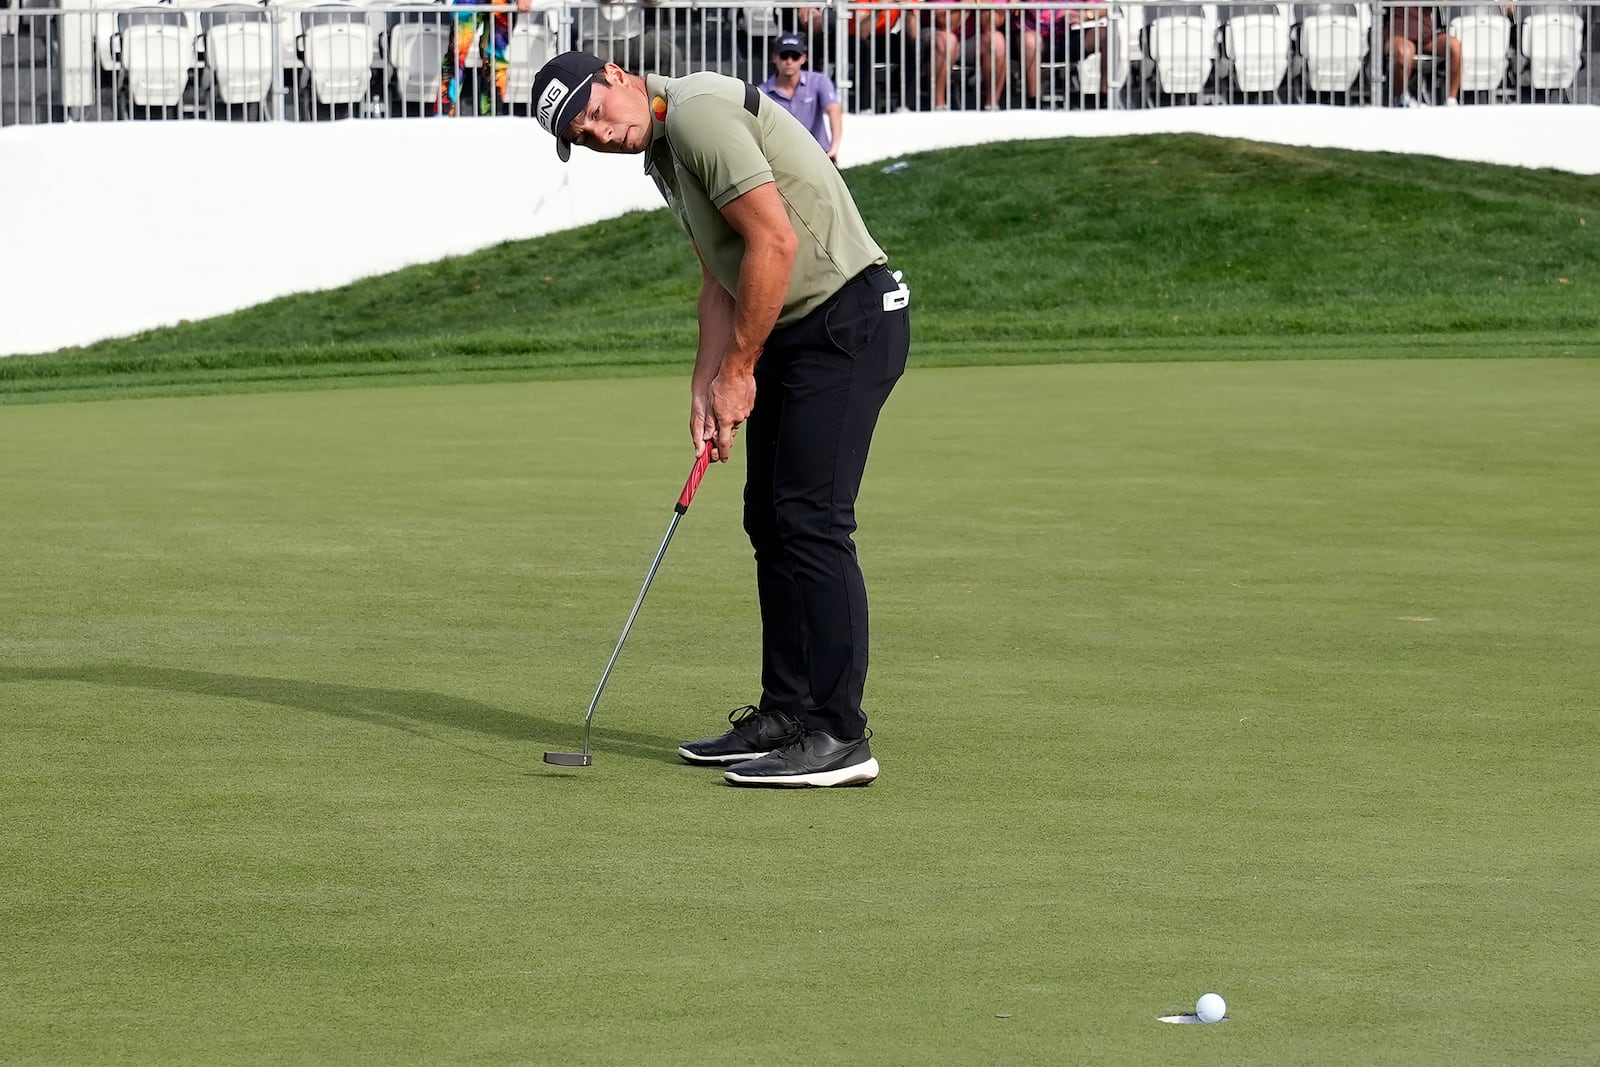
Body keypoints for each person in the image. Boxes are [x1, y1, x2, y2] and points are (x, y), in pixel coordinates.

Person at [530, 52, 911, 788]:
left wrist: (741, 371)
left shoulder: (698, 114)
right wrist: (707, 384)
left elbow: (775, 242)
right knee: (769, 518)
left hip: (845, 322)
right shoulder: (666, 150)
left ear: (617, 75)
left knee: (810, 520)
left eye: (596, 111)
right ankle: (787, 710)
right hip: (796, 330)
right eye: (583, 133)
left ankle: (839, 733)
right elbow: (721, 273)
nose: (600, 133)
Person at [438, 0, 535, 117]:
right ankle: (444, 114)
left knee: (495, 60)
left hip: (502, 4)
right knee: (456, 55)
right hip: (469, 3)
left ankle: (492, 116)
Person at [760, 33, 843, 163]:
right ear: (775, 58)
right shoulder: (763, 92)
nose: (789, 61)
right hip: (781, 159)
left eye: (795, 56)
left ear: (803, 59)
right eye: (784, 56)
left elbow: (834, 110)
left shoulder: (819, 81)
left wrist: (834, 148)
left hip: (820, 154)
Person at [1019, 1, 1111, 109]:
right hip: (1032, 38)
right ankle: (1034, 104)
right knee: (1030, 41)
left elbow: (1107, 7)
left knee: (1109, 35)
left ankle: (1105, 100)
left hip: (1066, 38)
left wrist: (1086, 15)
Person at [925, 0, 1009, 110]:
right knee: (947, 41)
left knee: (997, 41)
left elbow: (990, 25)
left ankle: (992, 107)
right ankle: (938, 106)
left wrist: (983, 3)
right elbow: (945, 24)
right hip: (935, 33)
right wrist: (966, 4)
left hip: (970, 39)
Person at [1384, 4, 1462, 106]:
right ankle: (1402, 98)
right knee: (1404, 52)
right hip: (1398, 32)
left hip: (1426, 35)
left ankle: (1451, 100)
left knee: (1454, 46)